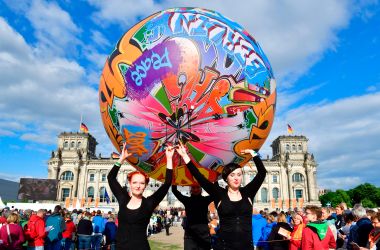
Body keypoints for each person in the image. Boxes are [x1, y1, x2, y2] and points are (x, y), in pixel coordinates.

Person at [176, 142, 266, 250]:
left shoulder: (248, 192)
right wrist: (185, 156)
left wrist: (253, 153)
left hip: (246, 247)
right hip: (224, 247)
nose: (236, 178)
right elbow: (199, 177)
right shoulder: (219, 194)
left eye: (239, 174)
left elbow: (262, 173)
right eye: (232, 175)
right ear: (226, 178)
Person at [107, 142, 173, 250]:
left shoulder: (149, 203)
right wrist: (122, 159)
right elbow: (111, 178)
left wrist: (169, 158)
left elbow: (167, 183)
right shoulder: (123, 199)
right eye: (135, 183)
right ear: (130, 184)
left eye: (142, 183)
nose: (138, 186)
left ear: (146, 185)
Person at [172, 184, 212, 250]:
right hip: (190, 236)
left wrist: (205, 182)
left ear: (201, 189)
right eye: (193, 187)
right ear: (190, 189)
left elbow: (215, 193)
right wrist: (174, 177)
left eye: (197, 187)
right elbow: (174, 190)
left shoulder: (205, 200)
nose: (195, 189)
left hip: (204, 236)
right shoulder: (187, 200)